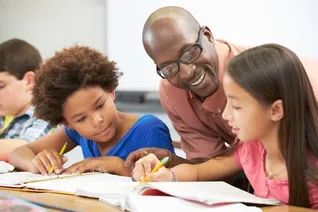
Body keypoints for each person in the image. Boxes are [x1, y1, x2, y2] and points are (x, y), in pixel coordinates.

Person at [124, 6, 318, 168]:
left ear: (208, 36)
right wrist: (173, 162)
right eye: (169, 67)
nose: (187, 72)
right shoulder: (172, 92)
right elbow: (212, 165)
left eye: (190, 52)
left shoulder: (269, 75)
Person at [131, 44, 318, 208]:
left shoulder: (312, 166)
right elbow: (198, 171)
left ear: (276, 110)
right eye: (227, 102)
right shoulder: (251, 149)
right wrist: (169, 176)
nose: (226, 114)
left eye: (236, 106)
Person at [9, 45, 175, 176]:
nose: (97, 120)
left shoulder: (149, 129)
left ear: (111, 91)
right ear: (68, 123)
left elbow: (166, 180)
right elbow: (19, 152)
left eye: (100, 105)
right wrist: (36, 163)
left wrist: (116, 166)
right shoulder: (75, 133)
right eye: (81, 119)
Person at [0, 38, 53, 162]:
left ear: (29, 81)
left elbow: (25, 148)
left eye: (1, 86)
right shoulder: (4, 113)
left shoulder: (46, 114)